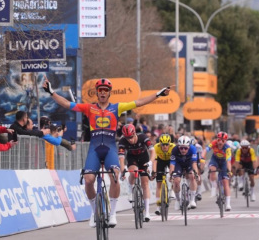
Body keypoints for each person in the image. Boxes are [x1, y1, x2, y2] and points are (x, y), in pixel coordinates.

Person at [43, 77, 170, 227]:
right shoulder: (89, 108)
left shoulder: (117, 107)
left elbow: (139, 102)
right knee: (89, 180)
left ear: (109, 93)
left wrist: (158, 94)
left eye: (105, 90)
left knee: (115, 176)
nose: (103, 93)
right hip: (94, 149)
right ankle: (94, 212)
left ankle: (112, 214)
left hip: (110, 148)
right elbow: (67, 104)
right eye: (100, 90)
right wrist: (51, 92)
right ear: (97, 92)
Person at [118, 124, 155, 222]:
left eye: (130, 137)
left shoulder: (143, 137)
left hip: (144, 158)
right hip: (132, 158)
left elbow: (152, 151)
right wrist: (122, 170)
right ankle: (131, 190)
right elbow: (121, 158)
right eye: (127, 138)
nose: (129, 140)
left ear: (134, 134)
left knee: (145, 183)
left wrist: (150, 162)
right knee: (133, 172)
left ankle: (147, 212)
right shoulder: (122, 141)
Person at [203, 132, 232, 211]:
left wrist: (229, 171)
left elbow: (228, 162)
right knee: (212, 169)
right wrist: (202, 158)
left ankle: (228, 203)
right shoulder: (213, 143)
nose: (220, 142)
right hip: (215, 159)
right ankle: (214, 186)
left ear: (225, 141)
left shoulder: (228, 148)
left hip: (223, 162)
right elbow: (206, 150)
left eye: (223, 141)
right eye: (219, 140)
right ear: (217, 139)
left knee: (225, 181)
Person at [170, 135, 199, 210]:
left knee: (192, 176)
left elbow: (194, 163)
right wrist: (171, 175)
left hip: (189, 163)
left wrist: (196, 174)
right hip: (178, 164)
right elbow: (172, 164)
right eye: (181, 148)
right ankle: (178, 200)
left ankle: (192, 200)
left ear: (189, 147)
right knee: (176, 181)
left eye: (185, 148)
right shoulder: (175, 150)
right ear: (178, 147)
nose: (183, 150)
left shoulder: (193, 149)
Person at [152, 133, 176, 215]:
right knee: (158, 183)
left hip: (170, 161)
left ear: (169, 144)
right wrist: (154, 171)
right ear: (160, 144)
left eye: (166, 144)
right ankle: (158, 207)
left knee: (174, 175)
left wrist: (172, 173)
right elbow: (154, 161)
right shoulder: (156, 147)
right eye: (163, 144)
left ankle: (172, 190)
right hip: (160, 161)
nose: (165, 146)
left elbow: (174, 162)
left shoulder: (173, 147)